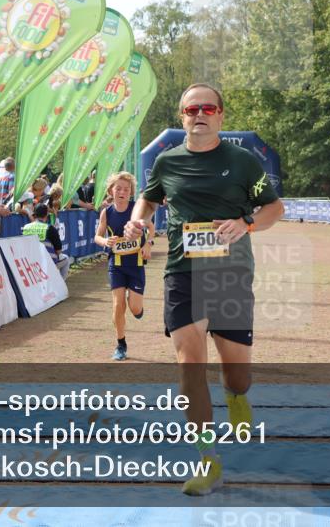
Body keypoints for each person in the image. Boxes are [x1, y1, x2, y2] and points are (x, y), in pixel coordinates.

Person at [122, 83, 283, 496]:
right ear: (182, 117)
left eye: (208, 108)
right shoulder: (166, 161)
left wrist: (244, 225)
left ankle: (237, 397)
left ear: (220, 116)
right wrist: (138, 220)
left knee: (237, 373)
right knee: (188, 368)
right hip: (182, 271)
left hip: (230, 273)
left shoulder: (243, 161)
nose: (199, 114)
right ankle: (208, 460)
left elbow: (274, 208)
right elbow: (148, 199)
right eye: (191, 108)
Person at [94, 172, 153, 361]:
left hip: (135, 265)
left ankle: (138, 308)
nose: (122, 192)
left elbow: (151, 228)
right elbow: (97, 236)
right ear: (111, 190)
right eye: (118, 188)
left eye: (126, 189)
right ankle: (121, 344)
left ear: (131, 193)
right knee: (118, 304)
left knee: (134, 309)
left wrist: (147, 244)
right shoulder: (107, 212)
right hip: (116, 264)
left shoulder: (137, 209)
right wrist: (105, 241)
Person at [22, 203, 72, 281]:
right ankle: (60, 283)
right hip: (47, 264)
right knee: (66, 259)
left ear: (34, 214)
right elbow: (59, 251)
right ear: (47, 215)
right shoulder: (50, 228)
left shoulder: (25, 227)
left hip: (29, 263)